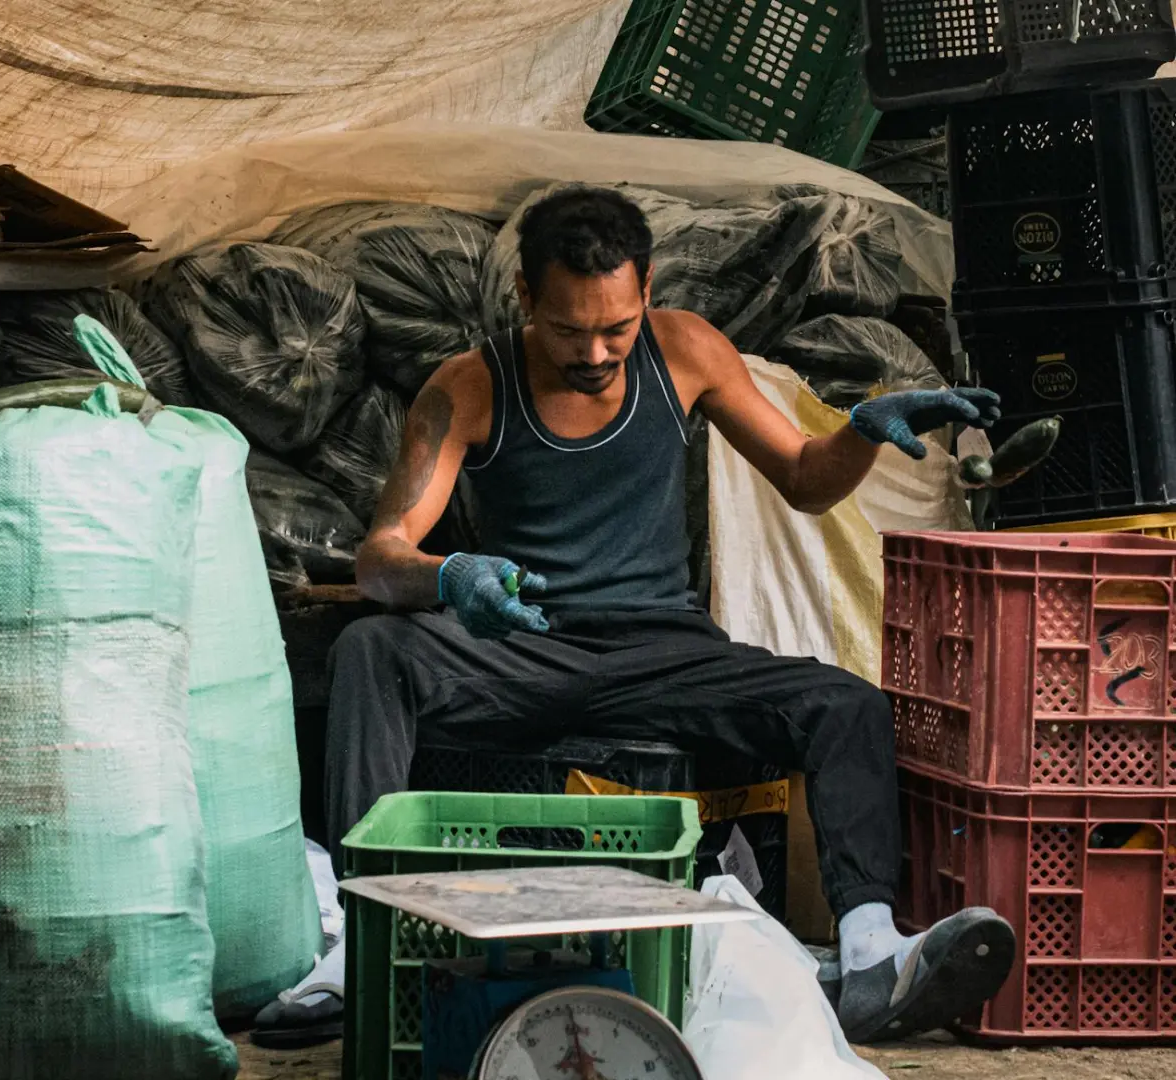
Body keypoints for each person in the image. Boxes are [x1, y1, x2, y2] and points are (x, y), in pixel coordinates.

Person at [323, 185, 1013, 1044]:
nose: (597, 351)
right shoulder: (469, 385)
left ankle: (871, 957)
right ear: (525, 300)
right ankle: (357, 933)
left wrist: (860, 435)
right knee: (369, 649)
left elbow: (803, 479)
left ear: (645, 288)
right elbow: (379, 557)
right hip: (526, 650)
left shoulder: (684, 350)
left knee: (846, 706)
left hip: (663, 652)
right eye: (569, 330)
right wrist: (448, 573)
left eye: (614, 326)